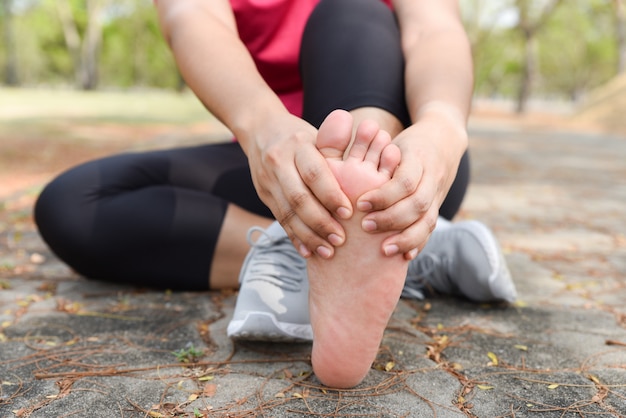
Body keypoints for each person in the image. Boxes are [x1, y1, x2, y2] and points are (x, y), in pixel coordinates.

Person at [34, 0, 517, 388]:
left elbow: (434, 28)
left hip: (412, 165)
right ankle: (379, 250)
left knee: (351, 9)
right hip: (276, 157)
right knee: (75, 203)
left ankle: (364, 197)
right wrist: (260, 125)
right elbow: (191, 17)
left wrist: (444, 127)